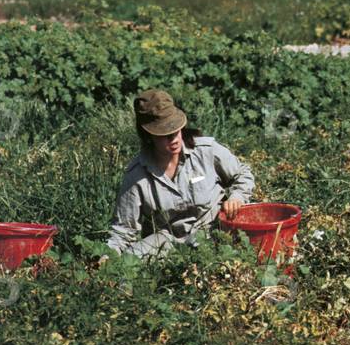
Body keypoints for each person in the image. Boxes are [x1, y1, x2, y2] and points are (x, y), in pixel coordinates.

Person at [107, 89, 255, 258]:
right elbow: (124, 229)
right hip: (167, 243)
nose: (175, 139)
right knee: (129, 259)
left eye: (176, 131)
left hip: (213, 233)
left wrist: (237, 197)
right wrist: (107, 256)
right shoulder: (137, 175)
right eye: (165, 135)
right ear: (148, 136)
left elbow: (243, 173)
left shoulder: (205, 151)